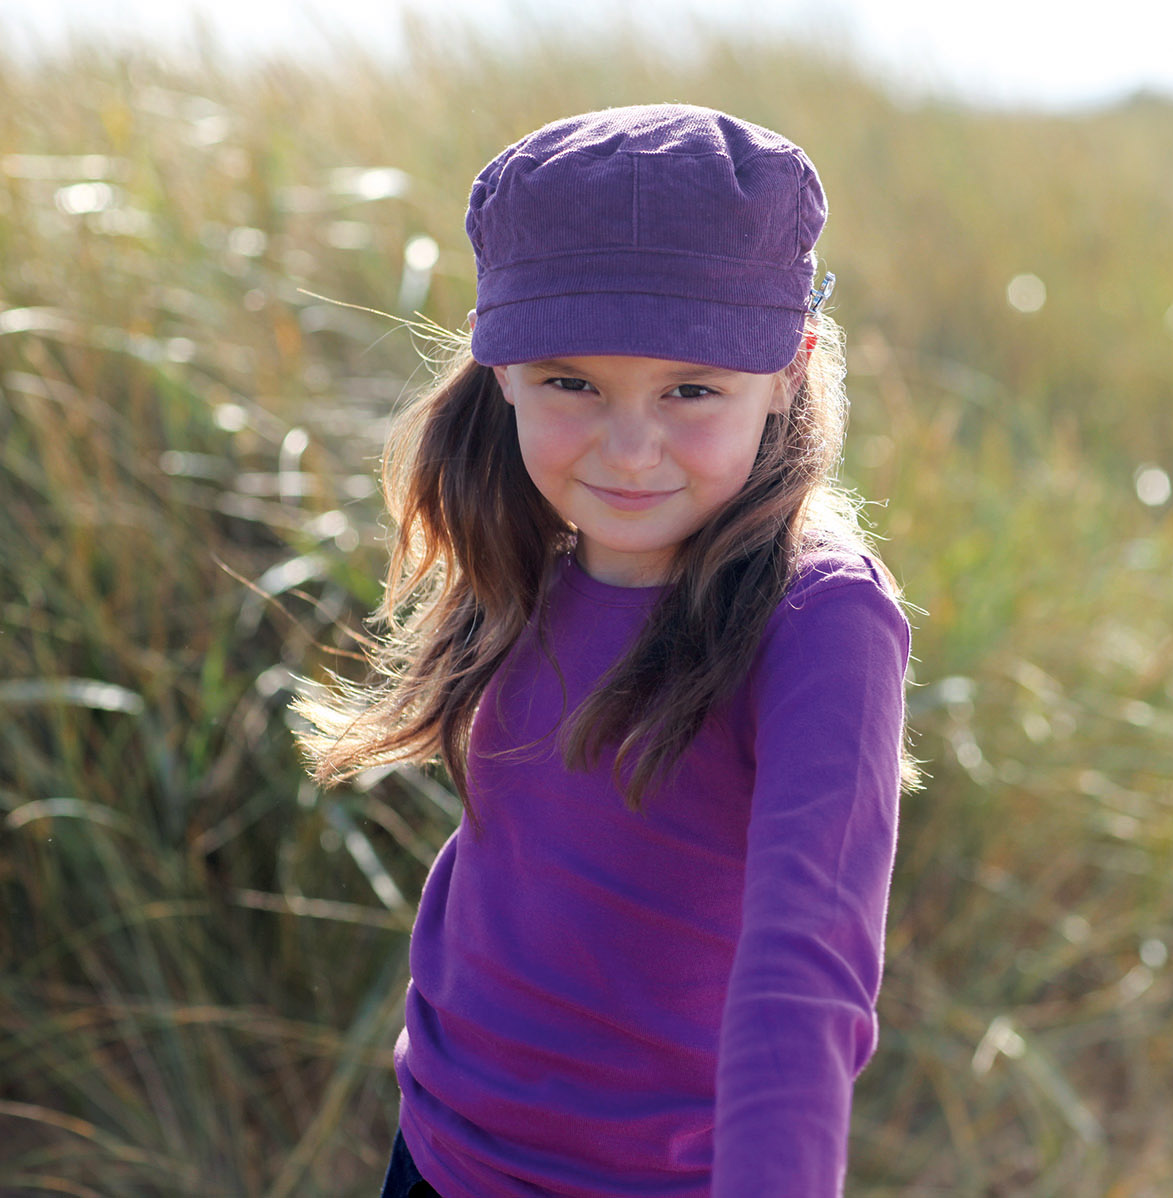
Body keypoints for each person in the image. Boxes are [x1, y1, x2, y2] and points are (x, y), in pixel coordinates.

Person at [296, 103, 914, 1198]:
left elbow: (803, 973)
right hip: (441, 1149)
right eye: (572, 383)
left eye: (691, 390)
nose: (630, 452)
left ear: (789, 366)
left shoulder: (820, 620)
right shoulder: (528, 540)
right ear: (501, 369)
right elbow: (522, 861)